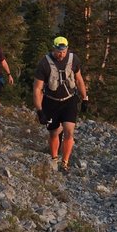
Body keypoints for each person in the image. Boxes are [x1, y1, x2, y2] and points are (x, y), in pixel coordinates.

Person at [33, 36, 89, 172]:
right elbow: (37, 89)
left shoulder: (73, 60)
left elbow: (79, 79)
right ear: (53, 48)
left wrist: (85, 98)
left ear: (67, 49)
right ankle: (54, 158)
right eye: (59, 51)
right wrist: (40, 110)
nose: (61, 54)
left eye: (64, 51)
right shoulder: (44, 64)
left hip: (69, 100)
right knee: (54, 132)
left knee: (69, 131)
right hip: (51, 102)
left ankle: (65, 162)